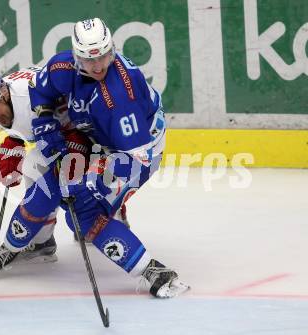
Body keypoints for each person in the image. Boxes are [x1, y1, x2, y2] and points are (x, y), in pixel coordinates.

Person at [28, 18, 189, 298]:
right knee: (71, 195)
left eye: (103, 55)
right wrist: (44, 120)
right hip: (101, 138)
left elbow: (136, 160)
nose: (99, 65)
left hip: (138, 149)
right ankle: (109, 210)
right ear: (76, 56)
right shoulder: (63, 66)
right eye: (90, 59)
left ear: (112, 48)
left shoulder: (119, 98)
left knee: (85, 214)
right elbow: (41, 88)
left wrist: (94, 187)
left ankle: (154, 272)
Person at [0, 68, 128, 275]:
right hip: (63, 133)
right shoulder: (7, 100)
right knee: (37, 172)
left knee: (67, 184)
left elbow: (78, 108)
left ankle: (111, 213)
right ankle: (41, 242)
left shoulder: (28, 97)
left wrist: (78, 144)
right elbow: (26, 124)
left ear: (2, 93)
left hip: (97, 134)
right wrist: (14, 141)